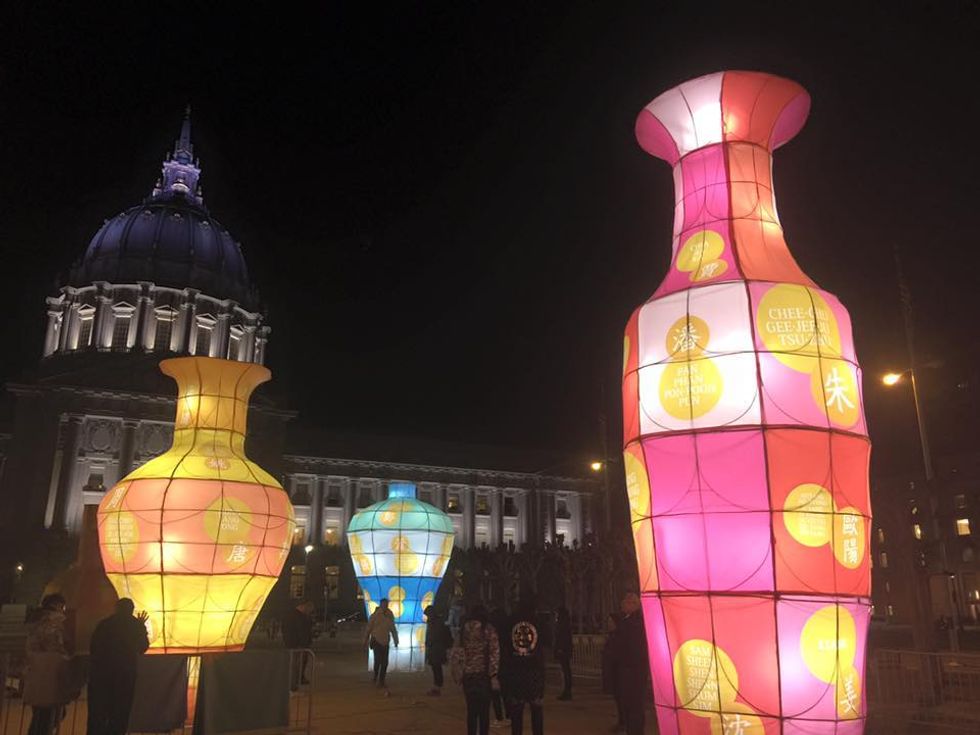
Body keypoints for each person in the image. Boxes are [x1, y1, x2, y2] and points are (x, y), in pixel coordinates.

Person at [87, 598, 150, 735]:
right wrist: (141, 626)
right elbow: (143, 647)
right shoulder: (135, 625)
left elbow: (94, 647)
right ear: (132, 610)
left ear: (116, 608)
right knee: (120, 711)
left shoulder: (104, 624)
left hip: (101, 674)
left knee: (98, 711)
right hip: (125, 674)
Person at [23, 594, 69, 735]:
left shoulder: (33, 620)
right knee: (50, 715)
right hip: (51, 672)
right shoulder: (56, 620)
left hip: (34, 671)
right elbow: (60, 644)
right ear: (57, 605)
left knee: (40, 715)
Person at [451, 605, 500, 735]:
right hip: (483, 676)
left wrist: (458, 674)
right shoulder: (488, 629)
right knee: (484, 712)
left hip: (468, 675)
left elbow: (456, 654)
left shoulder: (463, 630)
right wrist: (493, 674)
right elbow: (494, 653)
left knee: (471, 711)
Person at [607, 593, 647, 735]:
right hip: (629, 670)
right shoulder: (628, 622)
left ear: (633, 605)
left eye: (626, 602)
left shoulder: (634, 623)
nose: (622, 604)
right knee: (629, 706)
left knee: (634, 706)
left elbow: (631, 648)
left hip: (632, 671)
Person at [504, 600, 544, 735]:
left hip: (516, 671)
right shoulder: (537, 622)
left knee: (516, 712)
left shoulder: (511, 622)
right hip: (534, 671)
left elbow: (506, 648)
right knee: (536, 710)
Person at [364, 598, 399, 694]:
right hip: (377, 641)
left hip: (385, 642)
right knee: (378, 660)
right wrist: (365, 640)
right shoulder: (375, 615)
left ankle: (381, 680)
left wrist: (396, 640)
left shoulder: (390, 615)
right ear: (381, 604)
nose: (385, 606)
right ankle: (376, 677)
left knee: (385, 662)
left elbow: (393, 628)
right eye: (384, 604)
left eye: (386, 604)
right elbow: (369, 628)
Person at [282, 600, 315, 690]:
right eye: (309, 608)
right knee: (295, 665)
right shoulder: (299, 617)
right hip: (298, 645)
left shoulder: (291, 615)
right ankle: (292, 685)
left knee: (297, 664)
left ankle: (296, 681)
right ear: (304, 606)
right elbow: (302, 631)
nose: (310, 611)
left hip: (294, 644)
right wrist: (303, 643)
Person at [487, 606, 511, 727]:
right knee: (507, 692)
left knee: (495, 692)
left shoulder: (492, 632)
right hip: (507, 664)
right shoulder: (508, 630)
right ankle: (509, 716)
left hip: (496, 664)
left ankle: (499, 717)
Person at [424, 605, 452, 696]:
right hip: (435, 649)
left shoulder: (435, 623)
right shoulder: (436, 622)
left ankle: (437, 687)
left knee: (436, 668)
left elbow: (435, 636)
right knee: (436, 668)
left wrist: (429, 643)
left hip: (436, 649)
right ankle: (437, 686)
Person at [553, 606, 573, 701]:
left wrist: (560, 648)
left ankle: (567, 691)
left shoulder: (563, 626)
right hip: (565, 651)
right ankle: (567, 690)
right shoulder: (565, 625)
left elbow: (562, 639)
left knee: (565, 671)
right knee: (565, 670)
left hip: (563, 651)